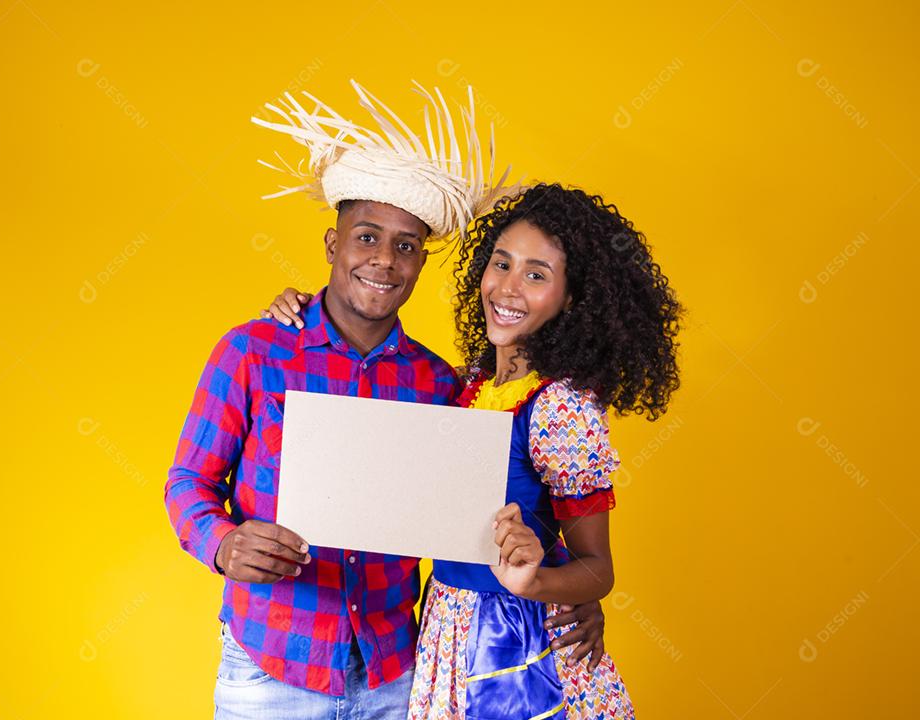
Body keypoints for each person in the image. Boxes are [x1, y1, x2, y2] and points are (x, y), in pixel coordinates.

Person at [165, 82, 607, 719]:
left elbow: (516, 496)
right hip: (270, 669)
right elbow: (187, 480)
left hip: (397, 676)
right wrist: (221, 543)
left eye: (405, 246)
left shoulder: (442, 387)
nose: (384, 260)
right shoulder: (254, 351)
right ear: (332, 246)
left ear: (421, 264)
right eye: (366, 237)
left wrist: (575, 594)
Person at [264, 181, 683, 718]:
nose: (508, 288)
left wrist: (537, 582)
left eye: (537, 275)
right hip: (446, 631)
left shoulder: (561, 408)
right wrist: (303, 306)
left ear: (572, 296)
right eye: (501, 264)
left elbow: (598, 568)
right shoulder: (465, 388)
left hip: (518, 649)